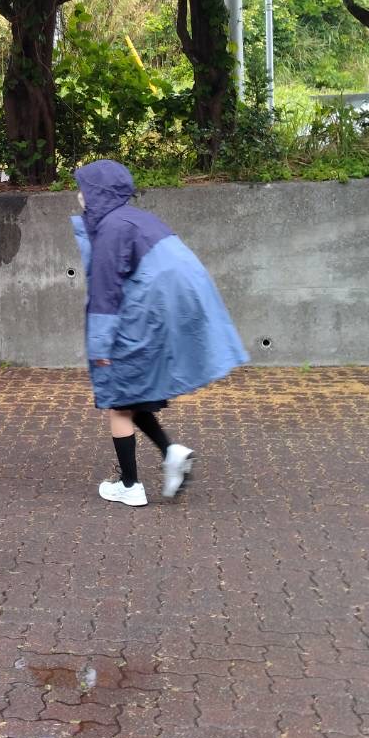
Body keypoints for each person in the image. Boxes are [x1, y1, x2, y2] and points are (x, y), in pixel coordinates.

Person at [72, 159, 247, 507]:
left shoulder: (110, 228)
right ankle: (172, 452)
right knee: (132, 393)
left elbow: (106, 292)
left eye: (84, 188)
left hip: (143, 314)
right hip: (165, 312)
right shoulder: (138, 218)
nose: (79, 194)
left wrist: (100, 346)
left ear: (97, 194)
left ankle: (130, 485)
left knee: (117, 400)